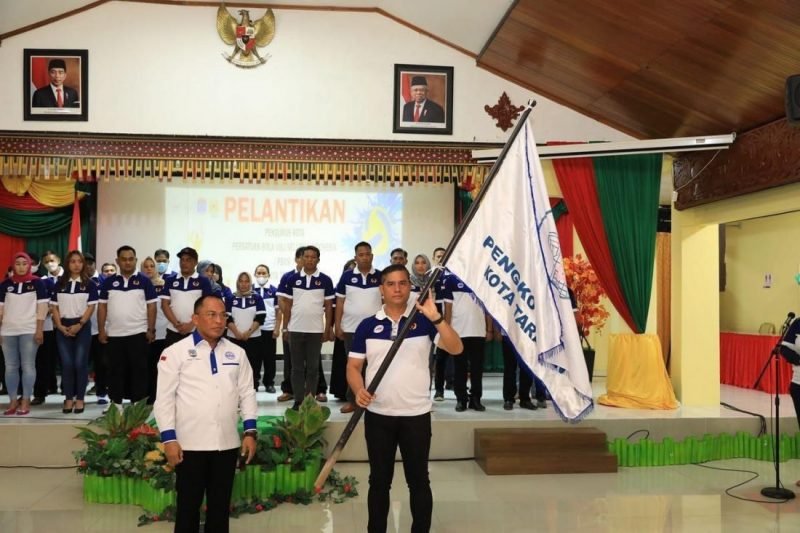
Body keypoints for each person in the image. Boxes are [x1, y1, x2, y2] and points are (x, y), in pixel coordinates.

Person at [347, 264, 462, 533]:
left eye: (402, 283)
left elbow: (456, 348)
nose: (397, 289)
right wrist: (359, 389)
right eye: (391, 284)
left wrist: (437, 318)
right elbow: (353, 367)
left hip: (416, 416)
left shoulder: (424, 321)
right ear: (381, 289)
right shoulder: (367, 325)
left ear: (410, 287)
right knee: (379, 482)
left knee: (419, 481)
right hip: (379, 416)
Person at [154, 295, 257, 533]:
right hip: (189, 446)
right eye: (211, 315)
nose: (219, 321)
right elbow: (164, 400)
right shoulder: (175, 352)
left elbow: (247, 394)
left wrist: (250, 432)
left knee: (220, 510)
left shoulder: (237, 353)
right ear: (195, 318)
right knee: (187, 509)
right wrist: (169, 439)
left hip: (226, 444)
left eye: (223, 315)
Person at [97, 245, 157, 411]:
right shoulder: (108, 282)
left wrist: (150, 329)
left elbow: (152, 306)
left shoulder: (144, 281)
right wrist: (101, 330)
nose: (127, 262)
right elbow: (102, 307)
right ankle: (116, 405)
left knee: (139, 371)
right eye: (124, 259)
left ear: (135, 260)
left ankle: (137, 406)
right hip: (114, 335)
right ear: (117, 261)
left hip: (138, 333)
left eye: (131, 259)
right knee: (115, 371)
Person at [278, 245, 334, 409]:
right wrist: (285, 328)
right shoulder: (292, 279)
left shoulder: (326, 280)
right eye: (306, 257)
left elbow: (329, 306)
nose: (309, 260)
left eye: (313, 257)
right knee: (296, 368)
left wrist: (327, 329)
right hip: (295, 329)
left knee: (312, 368)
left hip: (315, 331)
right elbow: (287, 306)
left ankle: (309, 402)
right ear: (302, 259)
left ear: (318, 259)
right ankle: (298, 401)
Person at [335, 242, 382, 414]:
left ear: (372, 256)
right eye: (361, 255)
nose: (365, 257)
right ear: (356, 258)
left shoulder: (380, 276)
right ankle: (353, 400)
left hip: (376, 329)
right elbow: (340, 302)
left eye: (367, 254)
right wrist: (337, 325)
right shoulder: (346, 277)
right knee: (354, 366)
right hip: (351, 328)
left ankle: (374, 399)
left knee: (374, 365)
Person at [0, 253, 49, 416]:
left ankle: (26, 400)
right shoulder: (5, 284)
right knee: (10, 367)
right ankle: (13, 401)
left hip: (29, 329)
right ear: (13, 266)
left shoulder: (37, 283)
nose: (21, 267)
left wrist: (39, 329)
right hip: (8, 330)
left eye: (24, 263)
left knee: (28, 366)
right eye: (18, 263)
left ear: (29, 265)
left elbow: (42, 307)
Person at [50, 251, 98, 414]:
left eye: (79, 261)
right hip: (63, 327)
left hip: (81, 326)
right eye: (72, 261)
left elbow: (91, 307)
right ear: (67, 264)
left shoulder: (90, 284)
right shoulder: (59, 284)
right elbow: (54, 307)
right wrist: (59, 326)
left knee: (80, 363)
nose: (76, 265)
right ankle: (69, 398)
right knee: (67, 364)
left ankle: (80, 399)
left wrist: (80, 324)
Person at [439, 274, 491, 412]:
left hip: (478, 331)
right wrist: (447, 331)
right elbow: (448, 307)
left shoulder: (482, 278)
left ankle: (476, 399)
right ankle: (461, 399)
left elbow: (488, 307)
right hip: (458, 331)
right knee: (459, 368)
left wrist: (489, 328)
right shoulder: (451, 279)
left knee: (477, 369)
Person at [161, 247, 213, 347]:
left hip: (196, 331)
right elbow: (164, 304)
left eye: (188, 260)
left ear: (195, 262)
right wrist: (176, 324)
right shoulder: (170, 280)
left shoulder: (203, 281)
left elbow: (206, 306)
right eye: (182, 260)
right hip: (173, 330)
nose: (184, 263)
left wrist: (191, 325)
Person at [225, 272, 266, 390]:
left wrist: (248, 333)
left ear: (250, 283)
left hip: (253, 339)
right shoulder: (230, 298)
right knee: (234, 366)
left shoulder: (257, 298)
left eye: (246, 281)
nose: (244, 284)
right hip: (234, 339)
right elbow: (227, 318)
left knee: (253, 366)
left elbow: (260, 317)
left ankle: (252, 390)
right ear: (237, 283)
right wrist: (237, 333)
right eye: (241, 281)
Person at [32, 250, 63, 405]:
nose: (50, 264)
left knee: (66, 359)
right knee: (44, 360)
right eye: (46, 262)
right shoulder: (42, 281)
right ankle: (43, 391)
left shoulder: (68, 278)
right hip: (48, 325)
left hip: (67, 324)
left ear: (58, 260)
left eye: (52, 260)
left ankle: (69, 391)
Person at [141, 256, 168, 404]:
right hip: (142, 331)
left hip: (162, 332)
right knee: (145, 367)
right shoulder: (138, 285)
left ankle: (158, 397)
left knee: (160, 367)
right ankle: (145, 397)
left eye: (152, 266)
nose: (149, 269)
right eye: (146, 266)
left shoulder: (164, 286)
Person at [253, 264, 280, 393]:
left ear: (268, 275)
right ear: (255, 275)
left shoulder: (274, 291)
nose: (261, 276)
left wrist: (277, 328)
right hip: (254, 330)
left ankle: (269, 383)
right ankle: (254, 383)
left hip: (269, 329)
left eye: (264, 273)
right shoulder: (250, 290)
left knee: (269, 358)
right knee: (255, 358)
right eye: (259, 273)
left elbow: (278, 312)